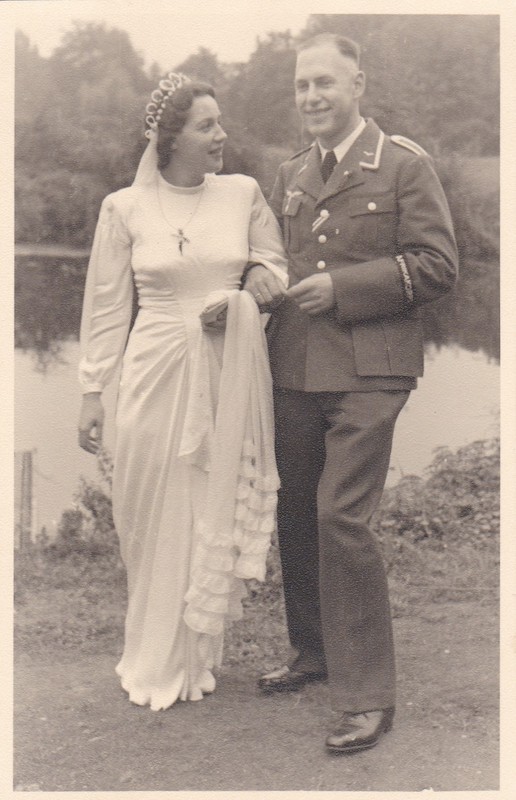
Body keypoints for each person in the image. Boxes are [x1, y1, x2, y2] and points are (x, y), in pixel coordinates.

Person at [244, 33, 458, 753]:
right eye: (302, 85)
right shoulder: (292, 171)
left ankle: (367, 697)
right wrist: (258, 277)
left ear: (358, 84)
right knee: (297, 510)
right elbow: (275, 258)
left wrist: (343, 287)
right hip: (296, 364)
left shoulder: (402, 165)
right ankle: (314, 652)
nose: (311, 96)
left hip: (372, 368)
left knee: (341, 515)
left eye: (325, 83)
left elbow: (437, 266)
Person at [78, 73, 288, 711]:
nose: (222, 135)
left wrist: (251, 285)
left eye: (220, 122)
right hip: (152, 371)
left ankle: (192, 658)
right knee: (143, 511)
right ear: (170, 140)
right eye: (206, 126)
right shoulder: (124, 208)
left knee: (203, 509)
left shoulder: (243, 194)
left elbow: (273, 264)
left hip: (223, 372)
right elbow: (108, 306)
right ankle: (151, 652)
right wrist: (92, 391)